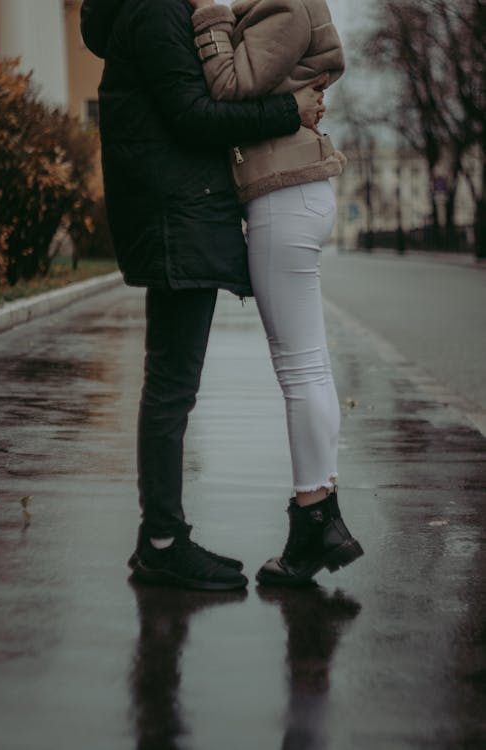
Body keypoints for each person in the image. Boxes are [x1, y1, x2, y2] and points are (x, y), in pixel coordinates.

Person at [80, 0, 325, 591]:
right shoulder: (157, 12)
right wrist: (287, 110)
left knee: (169, 384)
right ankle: (163, 542)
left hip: (172, 211)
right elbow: (194, 115)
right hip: (175, 215)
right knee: (171, 387)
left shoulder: (141, 15)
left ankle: (160, 538)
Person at [187, 0, 364, 585]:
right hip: (292, 195)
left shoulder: (288, 7)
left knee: (300, 369)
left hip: (285, 198)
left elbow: (228, 84)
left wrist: (209, 17)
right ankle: (323, 510)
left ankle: (315, 520)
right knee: (306, 367)